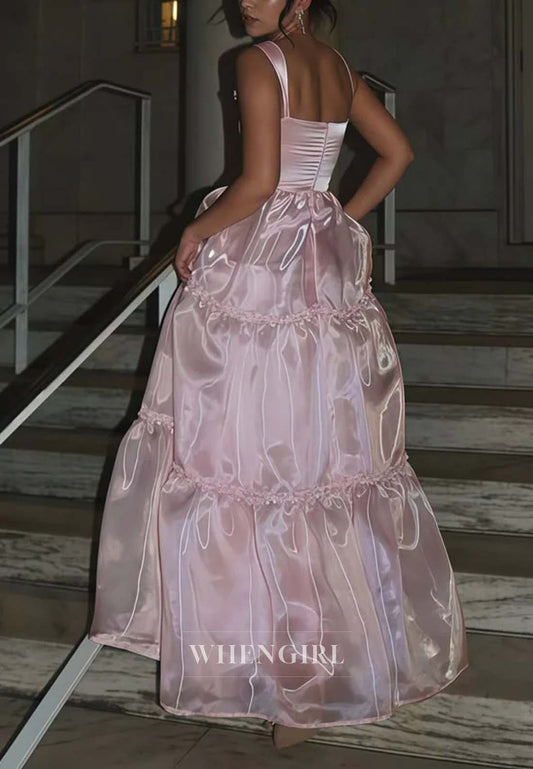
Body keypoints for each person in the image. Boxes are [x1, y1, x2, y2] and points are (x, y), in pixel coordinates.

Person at [89, 0, 469, 752]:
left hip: (263, 270)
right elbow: (396, 153)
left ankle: (262, 668)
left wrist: (195, 229)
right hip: (322, 272)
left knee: (246, 460)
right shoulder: (338, 69)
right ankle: (315, 678)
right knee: (318, 464)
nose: (244, 3)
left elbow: (259, 182)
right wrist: (339, 217)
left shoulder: (255, 62)